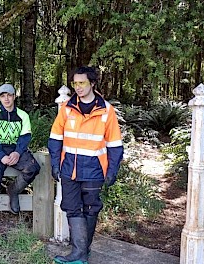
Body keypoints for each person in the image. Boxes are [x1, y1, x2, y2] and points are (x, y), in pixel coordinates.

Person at [48, 66, 123, 264]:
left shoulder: (107, 111)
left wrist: (112, 170)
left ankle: (82, 253)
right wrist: (55, 164)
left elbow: (115, 144)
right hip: (69, 169)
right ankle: (79, 253)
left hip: (94, 169)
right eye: (75, 83)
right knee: (72, 209)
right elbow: (55, 139)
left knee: (90, 209)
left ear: (92, 83)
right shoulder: (66, 108)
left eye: (82, 83)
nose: (78, 87)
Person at [0, 84, 41, 232]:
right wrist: (1, 157)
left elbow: (25, 137)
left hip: (15, 149)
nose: (6, 98)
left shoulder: (22, 115)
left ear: (14, 96)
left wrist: (17, 152)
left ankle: (13, 190)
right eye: (3, 95)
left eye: (9, 95)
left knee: (32, 168)